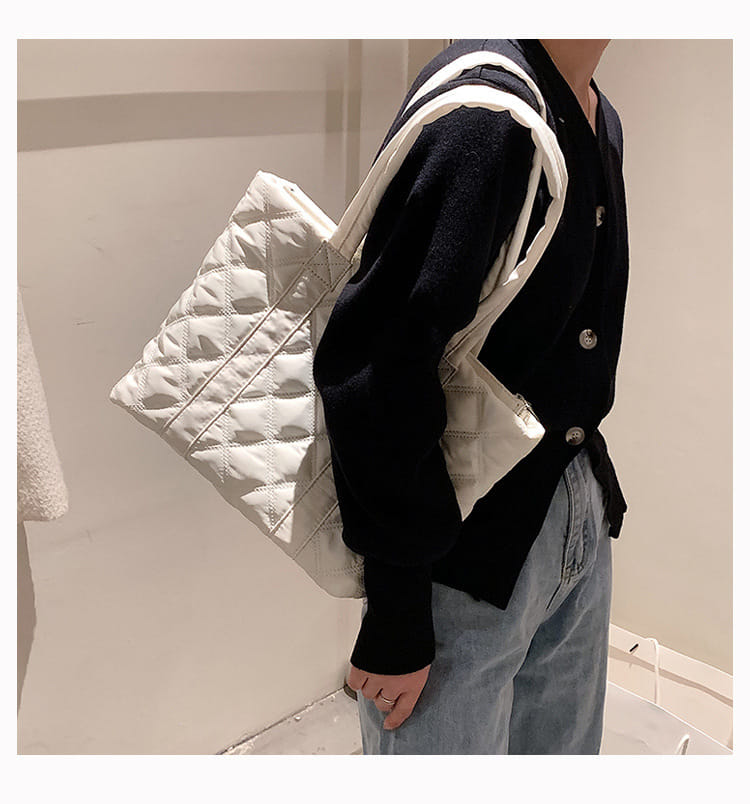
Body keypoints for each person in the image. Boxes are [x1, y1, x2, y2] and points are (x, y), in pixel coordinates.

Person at [312, 38, 629, 754]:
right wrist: (397, 607)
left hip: (571, 502)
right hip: (460, 541)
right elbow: (377, 365)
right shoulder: (488, 117)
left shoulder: (598, 114)